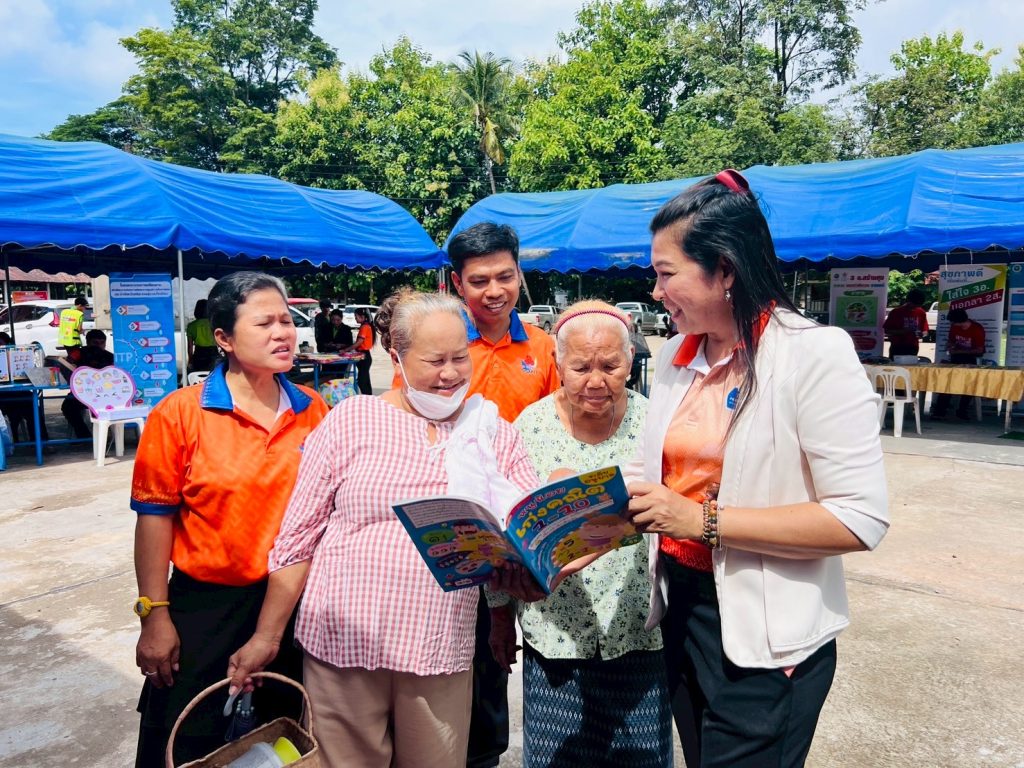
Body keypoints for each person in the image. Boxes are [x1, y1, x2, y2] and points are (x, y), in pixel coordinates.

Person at [625, 170, 889, 768]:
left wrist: (703, 521)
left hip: (766, 634)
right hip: (684, 608)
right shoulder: (675, 356)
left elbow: (859, 518)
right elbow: (657, 470)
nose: (656, 291)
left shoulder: (812, 355)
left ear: (725, 270)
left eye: (666, 274)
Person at [226, 288, 540, 768]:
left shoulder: (493, 432)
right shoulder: (352, 420)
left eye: (460, 357)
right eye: (435, 360)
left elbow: (528, 531)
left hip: (437, 646)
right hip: (341, 642)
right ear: (396, 358)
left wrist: (530, 568)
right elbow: (298, 539)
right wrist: (266, 637)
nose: (451, 373)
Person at [130, 271, 329, 767]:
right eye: (264, 323)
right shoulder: (180, 414)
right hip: (206, 608)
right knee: (183, 738)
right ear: (224, 338)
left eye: (286, 320)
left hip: (292, 603)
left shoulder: (313, 410)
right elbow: (155, 518)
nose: (283, 333)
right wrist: (154, 615)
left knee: (281, 741)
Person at [489, 301, 672, 768]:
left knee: (641, 759)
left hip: (635, 627)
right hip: (555, 632)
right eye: (580, 367)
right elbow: (506, 528)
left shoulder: (656, 423)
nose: (595, 381)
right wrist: (499, 616)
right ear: (557, 364)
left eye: (610, 366)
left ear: (630, 360)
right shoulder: (528, 428)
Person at [448, 222, 561, 768]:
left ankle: (494, 754)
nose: (494, 291)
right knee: (463, 649)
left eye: (505, 276)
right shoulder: (444, 345)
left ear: (519, 274)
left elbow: (561, 426)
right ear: (457, 283)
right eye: (479, 281)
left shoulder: (542, 348)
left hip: (525, 523)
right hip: (462, 523)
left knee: (514, 648)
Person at [931, 307, 986, 421]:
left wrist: (959, 351)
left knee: (968, 386)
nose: (951, 324)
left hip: (971, 359)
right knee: (947, 384)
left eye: (953, 322)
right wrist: (950, 345)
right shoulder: (954, 327)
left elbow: (979, 350)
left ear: (959, 321)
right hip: (955, 358)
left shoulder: (977, 329)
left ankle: (962, 411)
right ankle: (940, 411)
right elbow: (951, 340)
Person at [61, 329, 115, 439]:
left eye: (102, 343)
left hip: (104, 395)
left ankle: (103, 437)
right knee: (67, 407)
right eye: (95, 343)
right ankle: (84, 436)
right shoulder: (78, 353)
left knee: (100, 410)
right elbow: (66, 365)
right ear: (88, 342)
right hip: (80, 394)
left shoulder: (110, 356)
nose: (99, 346)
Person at [883, 288, 929, 357]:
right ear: (908, 301)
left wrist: (922, 334)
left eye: (918, 305)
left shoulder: (921, 312)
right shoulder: (896, 312)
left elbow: (925, 331)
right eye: (914, 304)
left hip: (913, 347)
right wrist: (903, 331)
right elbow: (887, 330)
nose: (915, 307)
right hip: (897, 346)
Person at [186, 299, 219, 372]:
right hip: (213, 354)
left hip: (199, 355)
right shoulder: (214, 324)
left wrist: (190, 361)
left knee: (195, 375)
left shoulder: (191, 326)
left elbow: (190, 347)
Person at [349, 306, 375, 394]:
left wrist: (346, 349)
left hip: (364, 356)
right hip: (365, 355)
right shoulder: (366, 326)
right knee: (365, 380)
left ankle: (367, 397)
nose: (355, 318)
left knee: (362, 381)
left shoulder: (365, 327)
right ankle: (368, 397)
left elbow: (359, 342)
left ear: (362, 317)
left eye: (356, 316)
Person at [58, 296, 89, 363]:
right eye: (84, 307)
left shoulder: (64, 312)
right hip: (73, 341)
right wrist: (83, 331)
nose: (85, 309)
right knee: (75, 359)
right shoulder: (79, 314)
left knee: (70, 357)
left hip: (64, 339)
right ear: (80, 305)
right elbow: (79, 329)